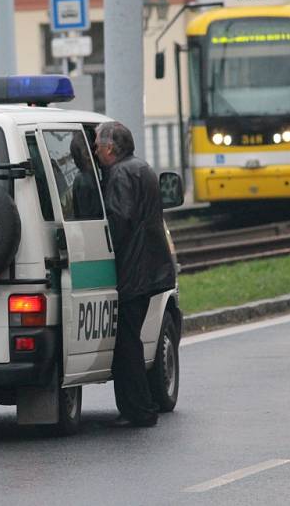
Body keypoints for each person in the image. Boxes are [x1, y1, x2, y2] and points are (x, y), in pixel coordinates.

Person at [94, 121, 176, 428]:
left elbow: (120, 216)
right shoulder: (142, 168)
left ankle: (139, 410)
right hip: (149, 266)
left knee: (126, 345)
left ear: (111, 148)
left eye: (98, 145)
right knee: (131, 341)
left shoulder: (119, 173)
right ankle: (138, 407)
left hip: (132, 269)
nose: (95, 150)